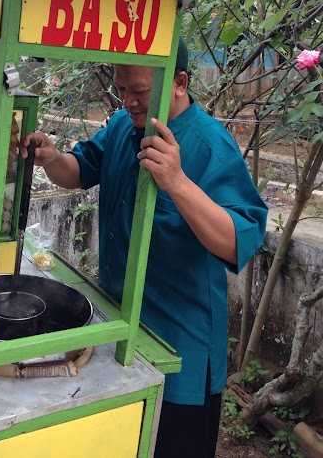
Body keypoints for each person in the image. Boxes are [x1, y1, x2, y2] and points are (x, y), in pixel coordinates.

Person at [21, 39, 266, 458]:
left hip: (179, 350)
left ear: (180, 83)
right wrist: (50, 158)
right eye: (123, 90)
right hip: (121, 331)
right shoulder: (122, 126)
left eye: (139, 91)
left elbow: (239, 240)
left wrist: (177, 181)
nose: (129, 101)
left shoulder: (209, 144)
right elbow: (78, 171)